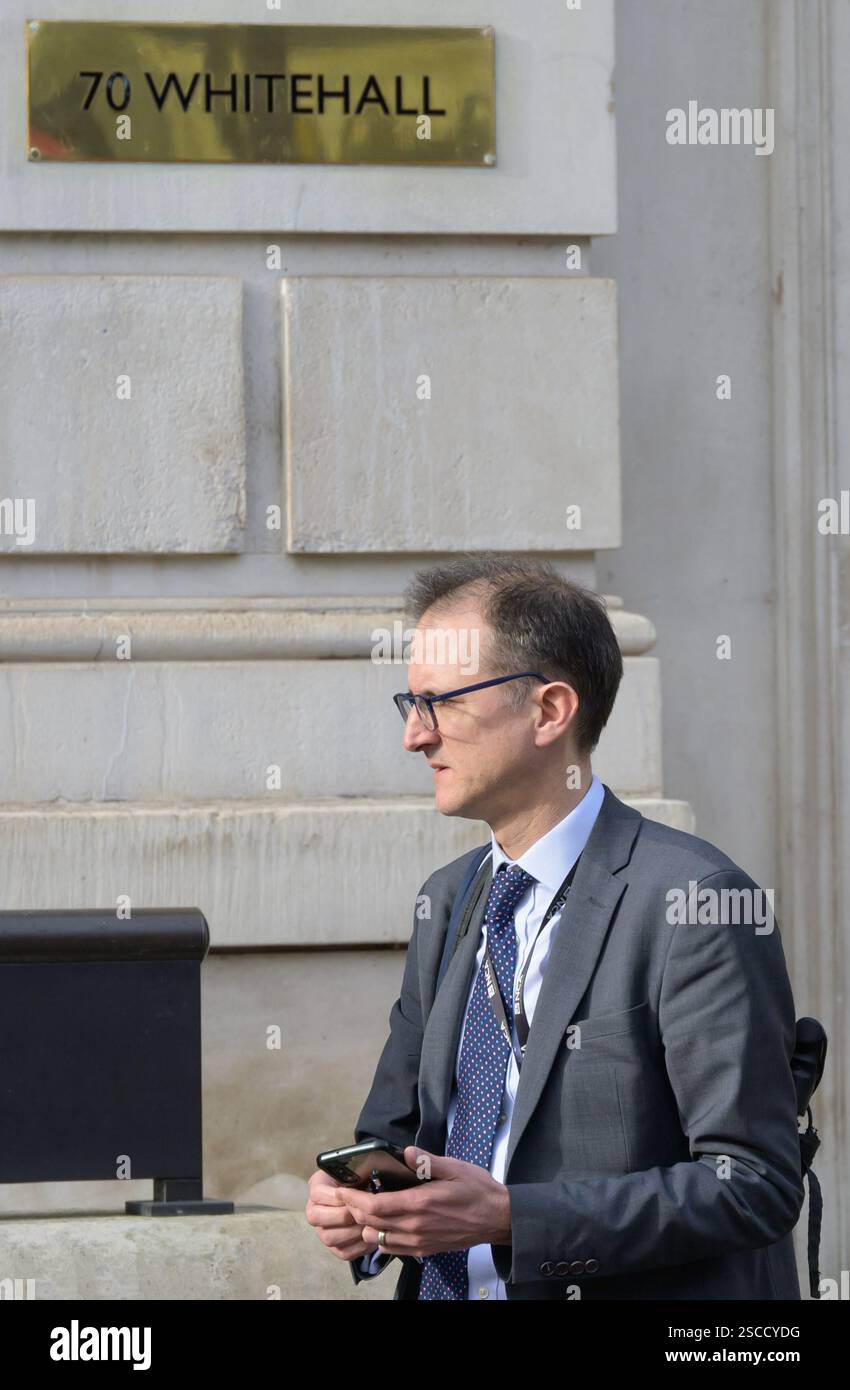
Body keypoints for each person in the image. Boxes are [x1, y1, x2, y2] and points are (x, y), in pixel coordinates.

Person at [305, 553, 804, 1300]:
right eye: (410, 705)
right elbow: (396, 1138)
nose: (416, 737)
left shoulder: (694, 901)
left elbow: (754, 1184)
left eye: (440, 704)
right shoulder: (446, 902)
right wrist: (360, 1206)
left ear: (549, 711)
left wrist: (513, 1219)